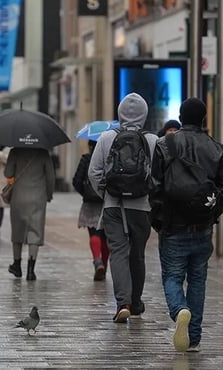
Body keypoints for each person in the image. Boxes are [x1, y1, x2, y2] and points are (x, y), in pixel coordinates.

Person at [150, 97, 223, 352]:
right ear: (203, 119)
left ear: (181, 116)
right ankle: (194, 336)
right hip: (202, 227)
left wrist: (159, 222)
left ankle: (180, 310)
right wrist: (211, 213)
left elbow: (154, 187)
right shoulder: (216, 148)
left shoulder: (165, 144)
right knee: (198, 280)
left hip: (173, 226)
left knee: (173, 277)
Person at [88, 93, 158, 323]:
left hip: (113, 206)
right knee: (137, 254)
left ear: (119, 113)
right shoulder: (153, 141)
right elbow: (158, 177)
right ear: (144, 114)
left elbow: (94, 172)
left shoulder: (106, 138)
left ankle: (122, 303)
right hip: (141, 207)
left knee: (118, 252)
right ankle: (136, 302)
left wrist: (107, 193)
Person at [4, 147, 55, 281]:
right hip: (38, 197)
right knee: (35, 231)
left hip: (19, 196)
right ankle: (31, 270)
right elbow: (50, 176)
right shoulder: (43, 152)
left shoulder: (15, 151)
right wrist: (48, 194)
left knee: (17, 230)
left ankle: (17, 264)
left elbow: (8, 173)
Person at [72, 140, 108, 281]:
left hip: (90, 203)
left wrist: (85, 194)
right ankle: (104, 266)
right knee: (105, 236)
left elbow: (76, 181)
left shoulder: (86, 159)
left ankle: (97, 261)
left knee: (94, 232)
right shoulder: (110, 157)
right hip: (107, 201)